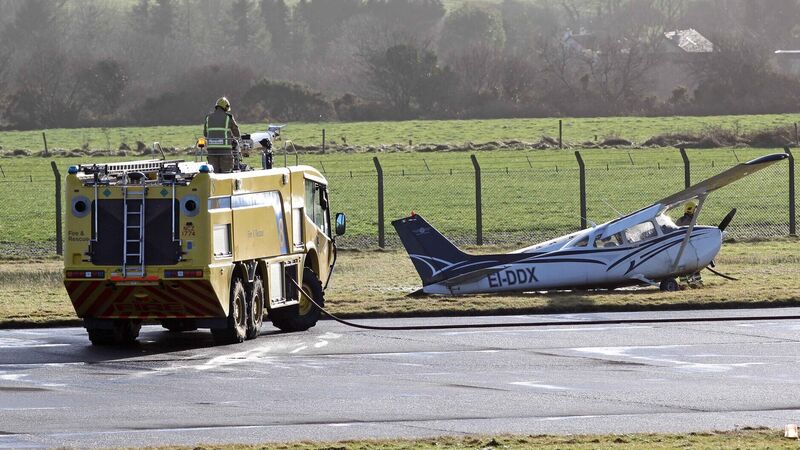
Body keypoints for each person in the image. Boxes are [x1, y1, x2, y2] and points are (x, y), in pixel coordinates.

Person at [203, 97, 240, 173]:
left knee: (214, 174)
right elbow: (237, 133)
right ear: (225, 107)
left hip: (211, 151)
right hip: (225, 151)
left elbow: (205, 134)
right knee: (226, 174)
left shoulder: (208, 117)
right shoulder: (228, 117)